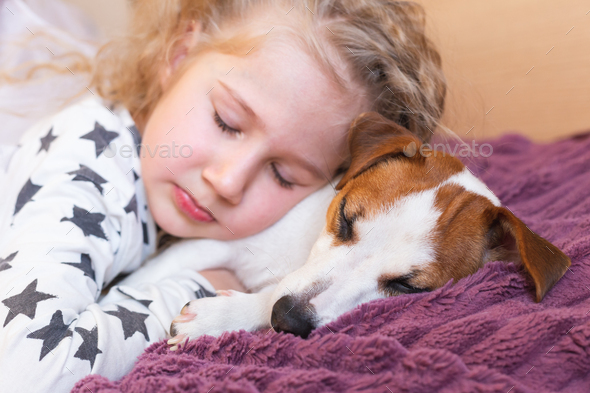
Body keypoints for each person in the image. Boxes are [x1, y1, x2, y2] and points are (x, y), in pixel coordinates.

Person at [0, 0, 448, 391]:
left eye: (283, 174)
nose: (228, 181)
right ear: (179, 55)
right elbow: (24, 374)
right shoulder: (87, 171)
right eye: (227, 121)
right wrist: (205, 290)